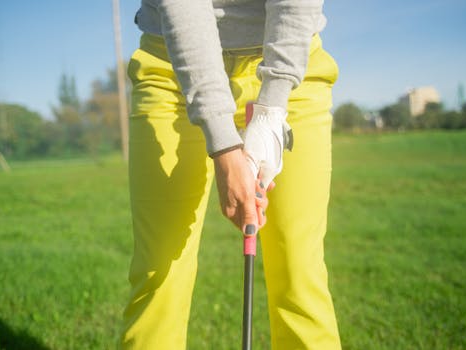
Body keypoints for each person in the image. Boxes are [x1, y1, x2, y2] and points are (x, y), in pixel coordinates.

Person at [119, 0, 341, 348]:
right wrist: (223, 144)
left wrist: (271, 111)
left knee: (301, 273)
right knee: (160, 272)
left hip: (289, 61)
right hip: (173, 66)